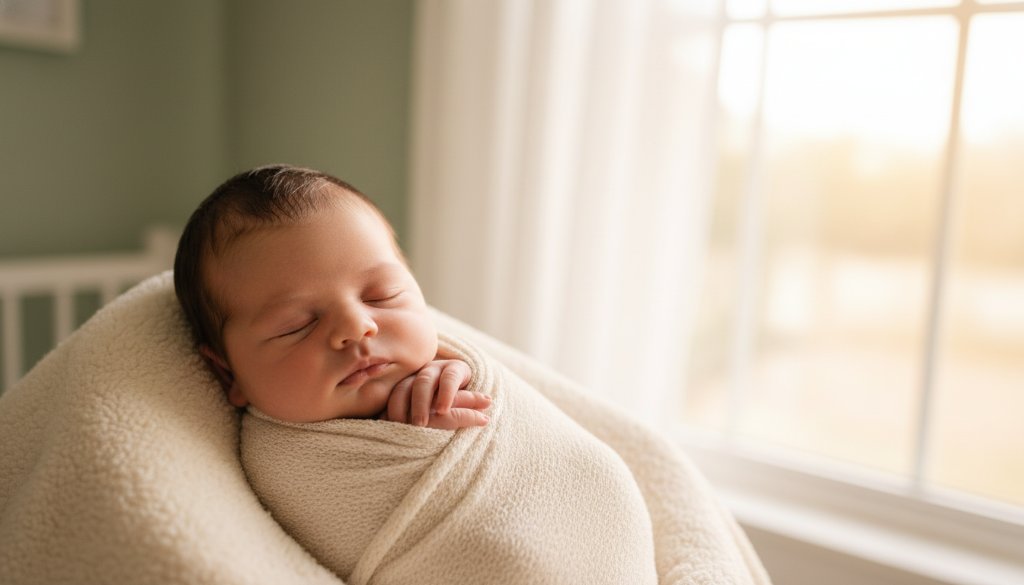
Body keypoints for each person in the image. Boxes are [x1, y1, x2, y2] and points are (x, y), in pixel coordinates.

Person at [173, 164, 491, 430]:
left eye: (382, 296)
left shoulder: (449, 369)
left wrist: (464, 375)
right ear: (228, 372)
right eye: (296, 326)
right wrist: (417, 440)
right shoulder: (277, 459)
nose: (356, 327)